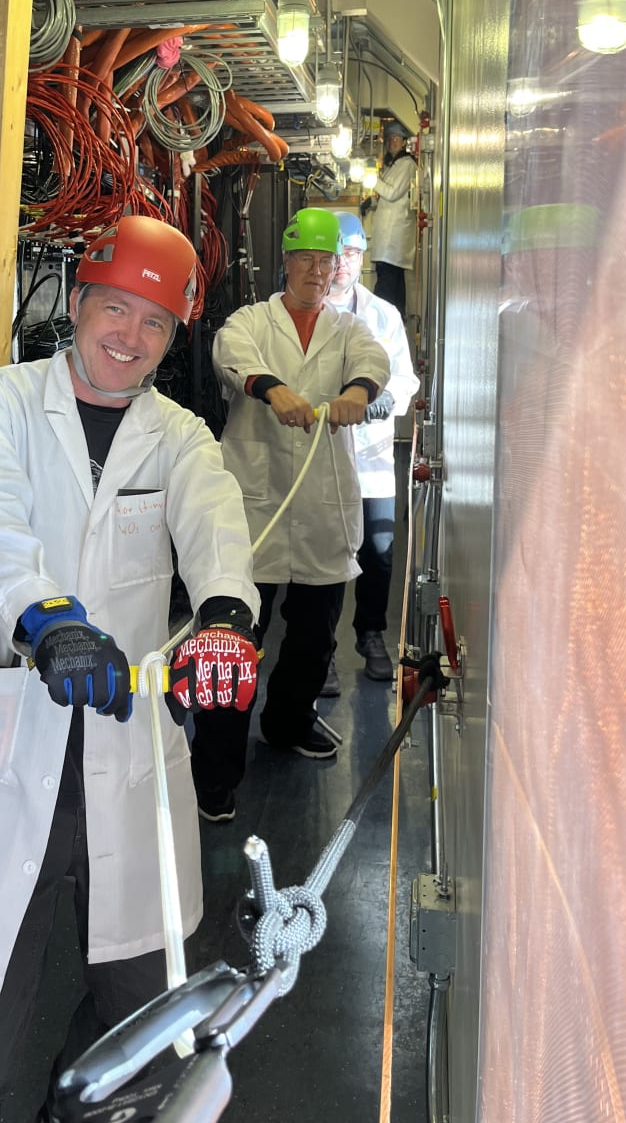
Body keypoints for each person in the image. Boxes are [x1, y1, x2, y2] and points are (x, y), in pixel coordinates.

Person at [0, 215, 259, 1123]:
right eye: (114, 310)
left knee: (141, 1018)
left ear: (175, 337)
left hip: (124, 755)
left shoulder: (178, 434)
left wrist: (226, 617)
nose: (129, 337)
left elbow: (216, 522)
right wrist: (47, 619)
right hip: (5, 745)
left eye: (155, 323)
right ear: (78, 304)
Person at [190, 207, 390, 822]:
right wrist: (272, 390)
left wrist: (356, 394)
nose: (315, 270)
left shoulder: (348, 327)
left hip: (324, 506)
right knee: (233, 641)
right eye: (304, 258)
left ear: (337, 269)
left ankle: (288, 722)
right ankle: (215, 774)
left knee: (312, 639)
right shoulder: (251, 321)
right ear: (286, 260)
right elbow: (232, 355)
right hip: (255, 506)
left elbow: (374, 362)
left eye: (325, 262)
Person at [323, 211, 420, 686]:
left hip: (375, 456)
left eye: (354, 254)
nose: (344, 264)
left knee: (379, 550)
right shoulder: (305, 312)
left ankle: (371, 633)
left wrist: (384, 401)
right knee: (326, 555)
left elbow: (404, 376)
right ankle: (323, 653)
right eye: (337, 255)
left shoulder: (384, 314)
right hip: (320, 454)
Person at [362, 117, 418, 321]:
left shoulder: (407, 164)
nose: (392, 142)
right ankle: (396, 318)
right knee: (393, 280)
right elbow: (389, 198)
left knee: (387, 282)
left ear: (404, 142)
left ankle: (380, 319)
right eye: (390, 138)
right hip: (388, 237)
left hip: (394, 238)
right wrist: (372, 203)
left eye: (397, 138)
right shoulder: (393, 166)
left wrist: (370, 178)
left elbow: (392, 193)